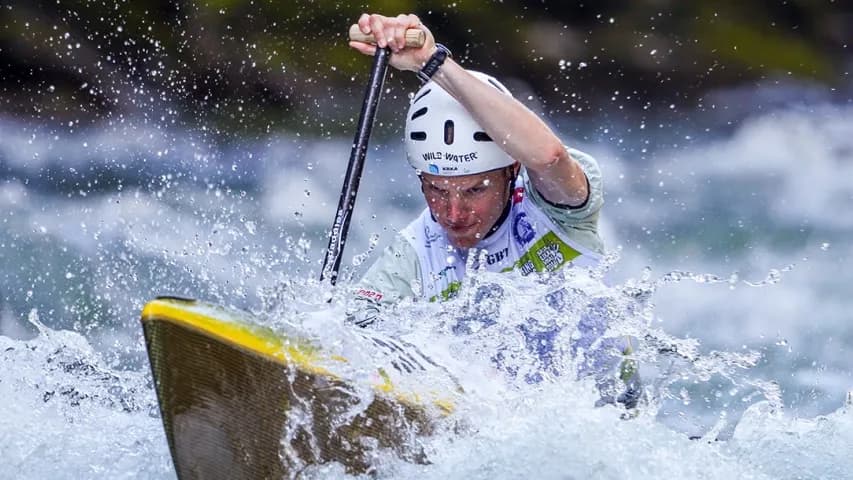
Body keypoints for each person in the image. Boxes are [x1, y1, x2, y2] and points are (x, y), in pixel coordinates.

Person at [348, 13, 640, 407]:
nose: (452, 213)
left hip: (612, 425)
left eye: (473, 190)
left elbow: (549, 156)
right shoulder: (414, 252)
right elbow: (347, 336)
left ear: (511, 169)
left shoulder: (554, 207)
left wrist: (431, 62)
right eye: (436, 190)